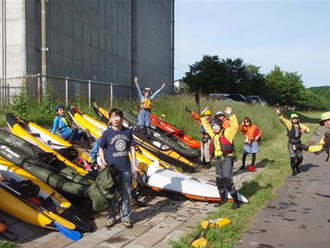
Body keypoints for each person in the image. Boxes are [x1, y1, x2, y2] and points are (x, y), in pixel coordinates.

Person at [99, 108, 140, 228]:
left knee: (126, 194)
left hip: (126, 168)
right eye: (113, 117)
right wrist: (103, 161)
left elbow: (132, 148)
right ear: (110, 119)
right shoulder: (107, 133)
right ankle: (111, 217)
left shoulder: (128, 132)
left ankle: (126, 217)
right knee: (112, 194)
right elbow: (101, 148)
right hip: (112, 170)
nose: (116, 120)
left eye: (118, 117)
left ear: (122, 119)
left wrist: (134, 165)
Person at [201, 106, 242, 209]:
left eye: (215, 126)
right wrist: (203, 116)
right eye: (212, 126)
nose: (213, 128)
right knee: (219, 180)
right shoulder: (213, 134)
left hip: (227, 157)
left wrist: (231, 114)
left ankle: (236, 201)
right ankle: (223, 199)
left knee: (227, 179)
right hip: (218, 159)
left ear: (219, 125)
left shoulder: (227, 133)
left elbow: (235, 126)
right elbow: (206, 125)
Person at [276, 106, 310, 176]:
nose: (295, 119)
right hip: (291, 143)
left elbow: (308, 129)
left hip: (298, 143)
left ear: (298, 119)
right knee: (292, 157)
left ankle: (297, 166)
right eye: (293, 118)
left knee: (300, 158)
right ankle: (293, 170)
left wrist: (305, 130)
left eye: (296, 118)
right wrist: (279, 113)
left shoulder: (300, 125)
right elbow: (282, 119)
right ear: (291, 119)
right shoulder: (289, 124)